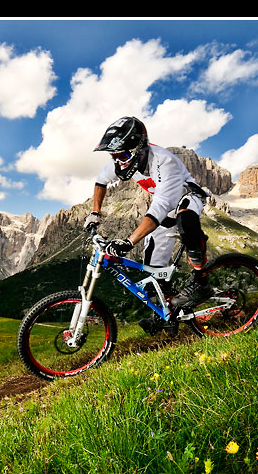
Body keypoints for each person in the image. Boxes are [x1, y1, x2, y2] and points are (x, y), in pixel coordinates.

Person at [84, 116, 211, 334]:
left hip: (186, 198)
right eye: (114, 156)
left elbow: (161, 206)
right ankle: (167, 312)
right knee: (154, 271)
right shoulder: (124, 161)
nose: (118, 162)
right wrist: (95, 213)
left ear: (138, 149)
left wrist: (129, 241)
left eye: (122, 155)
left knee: (186, 220)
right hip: (162, 208)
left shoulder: (164, 161)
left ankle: (200, 280)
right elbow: (100, 181)